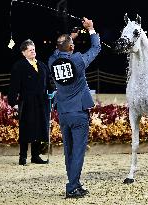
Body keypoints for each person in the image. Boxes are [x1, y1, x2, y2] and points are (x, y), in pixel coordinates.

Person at [48, 17, 101, 199]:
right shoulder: (78, 60)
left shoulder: (51, 61)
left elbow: (58, 51)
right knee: (77, 151)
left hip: (63, 112)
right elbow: (96, 49)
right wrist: (91, 29)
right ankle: (72, 187)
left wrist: (69, 38)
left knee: (68, 151)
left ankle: (75, 183)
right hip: (78, 112)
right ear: (71, 47)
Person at [8, 39, 53, 166]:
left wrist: (52, 92)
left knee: (39, 127)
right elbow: (14, 86)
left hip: (42, 102)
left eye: (33, 49)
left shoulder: (42, 65)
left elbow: (49, 82)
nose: (33, 52)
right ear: (24, 53)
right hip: (26, 102)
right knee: (26, 128)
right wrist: (13, 102)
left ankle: (35, 156)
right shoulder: (19, 66)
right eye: (30, 50)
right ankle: (23, 157)